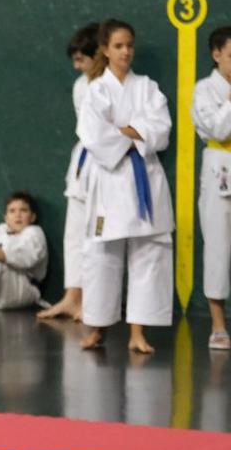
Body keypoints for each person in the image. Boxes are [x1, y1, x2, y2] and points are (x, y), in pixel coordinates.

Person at [77, 19, 174, 353]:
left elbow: (161, 130)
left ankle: (137, 333)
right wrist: (137, 131)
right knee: (102, 255)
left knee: (149, 254)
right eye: (118, 46)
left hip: (145, 176)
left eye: (129, 45)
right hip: (110, 178)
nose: (126, 52)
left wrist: (124, 130)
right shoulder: (97, 90)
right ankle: (98, 327)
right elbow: (94, 135)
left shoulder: (147, 87)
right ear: (105, 49)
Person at [40, 23, 100, 322]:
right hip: (83, 163)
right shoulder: (80, 86)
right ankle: (72, 297)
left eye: (81, 59)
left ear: (98, 54)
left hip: (110, 166)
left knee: (100, 236)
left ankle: (96, 299)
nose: (77, 66)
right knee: (74, 233)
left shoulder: (122, 85)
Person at [193, 25, 231, 350]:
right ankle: (218, 325)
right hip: (219, 168)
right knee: (218, 247)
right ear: (216, 54)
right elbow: (217, 127)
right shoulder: (204, 89)